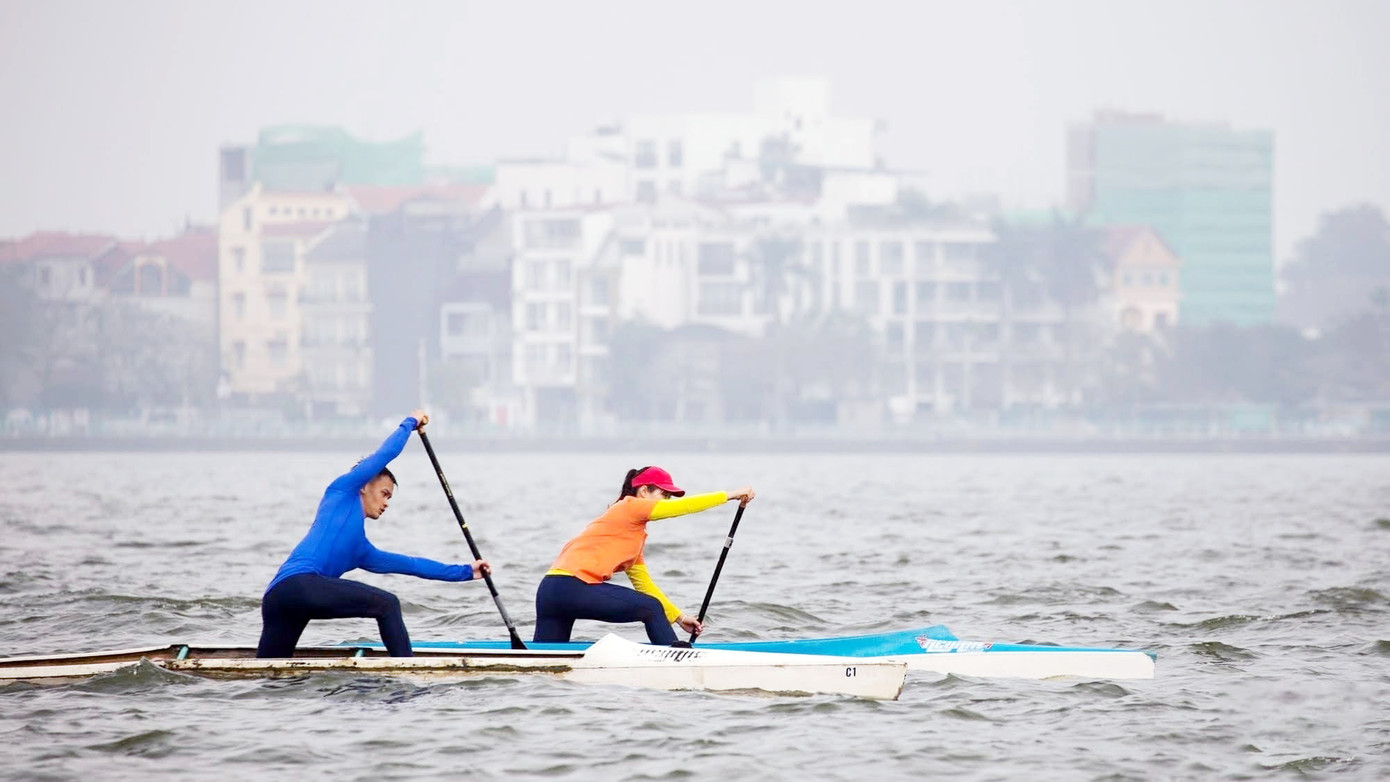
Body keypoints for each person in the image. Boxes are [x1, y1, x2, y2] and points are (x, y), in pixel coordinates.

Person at [256, 409, 490, 658]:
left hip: (276, 598)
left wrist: (466, 571)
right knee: (388, 604)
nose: (387, 502)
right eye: (384, 493)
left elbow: (411, 565)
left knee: (271, 670)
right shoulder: (342, 491)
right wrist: (410, 422)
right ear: (365, 485)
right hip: (300, 585)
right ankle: (408, 672)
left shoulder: (362, 551)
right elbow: (385, 454)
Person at [534, 465, 754, 646]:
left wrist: (678, 617)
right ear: (643, 491)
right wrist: (730, 495)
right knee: (651, 608)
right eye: (664, 495)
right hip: (573, 587)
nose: (667, 501)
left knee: (542, 660)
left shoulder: (629, 534)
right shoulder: (630, 506)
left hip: (550, 592)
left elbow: (645, 586)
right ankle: (676, 660)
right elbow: (684, 507)